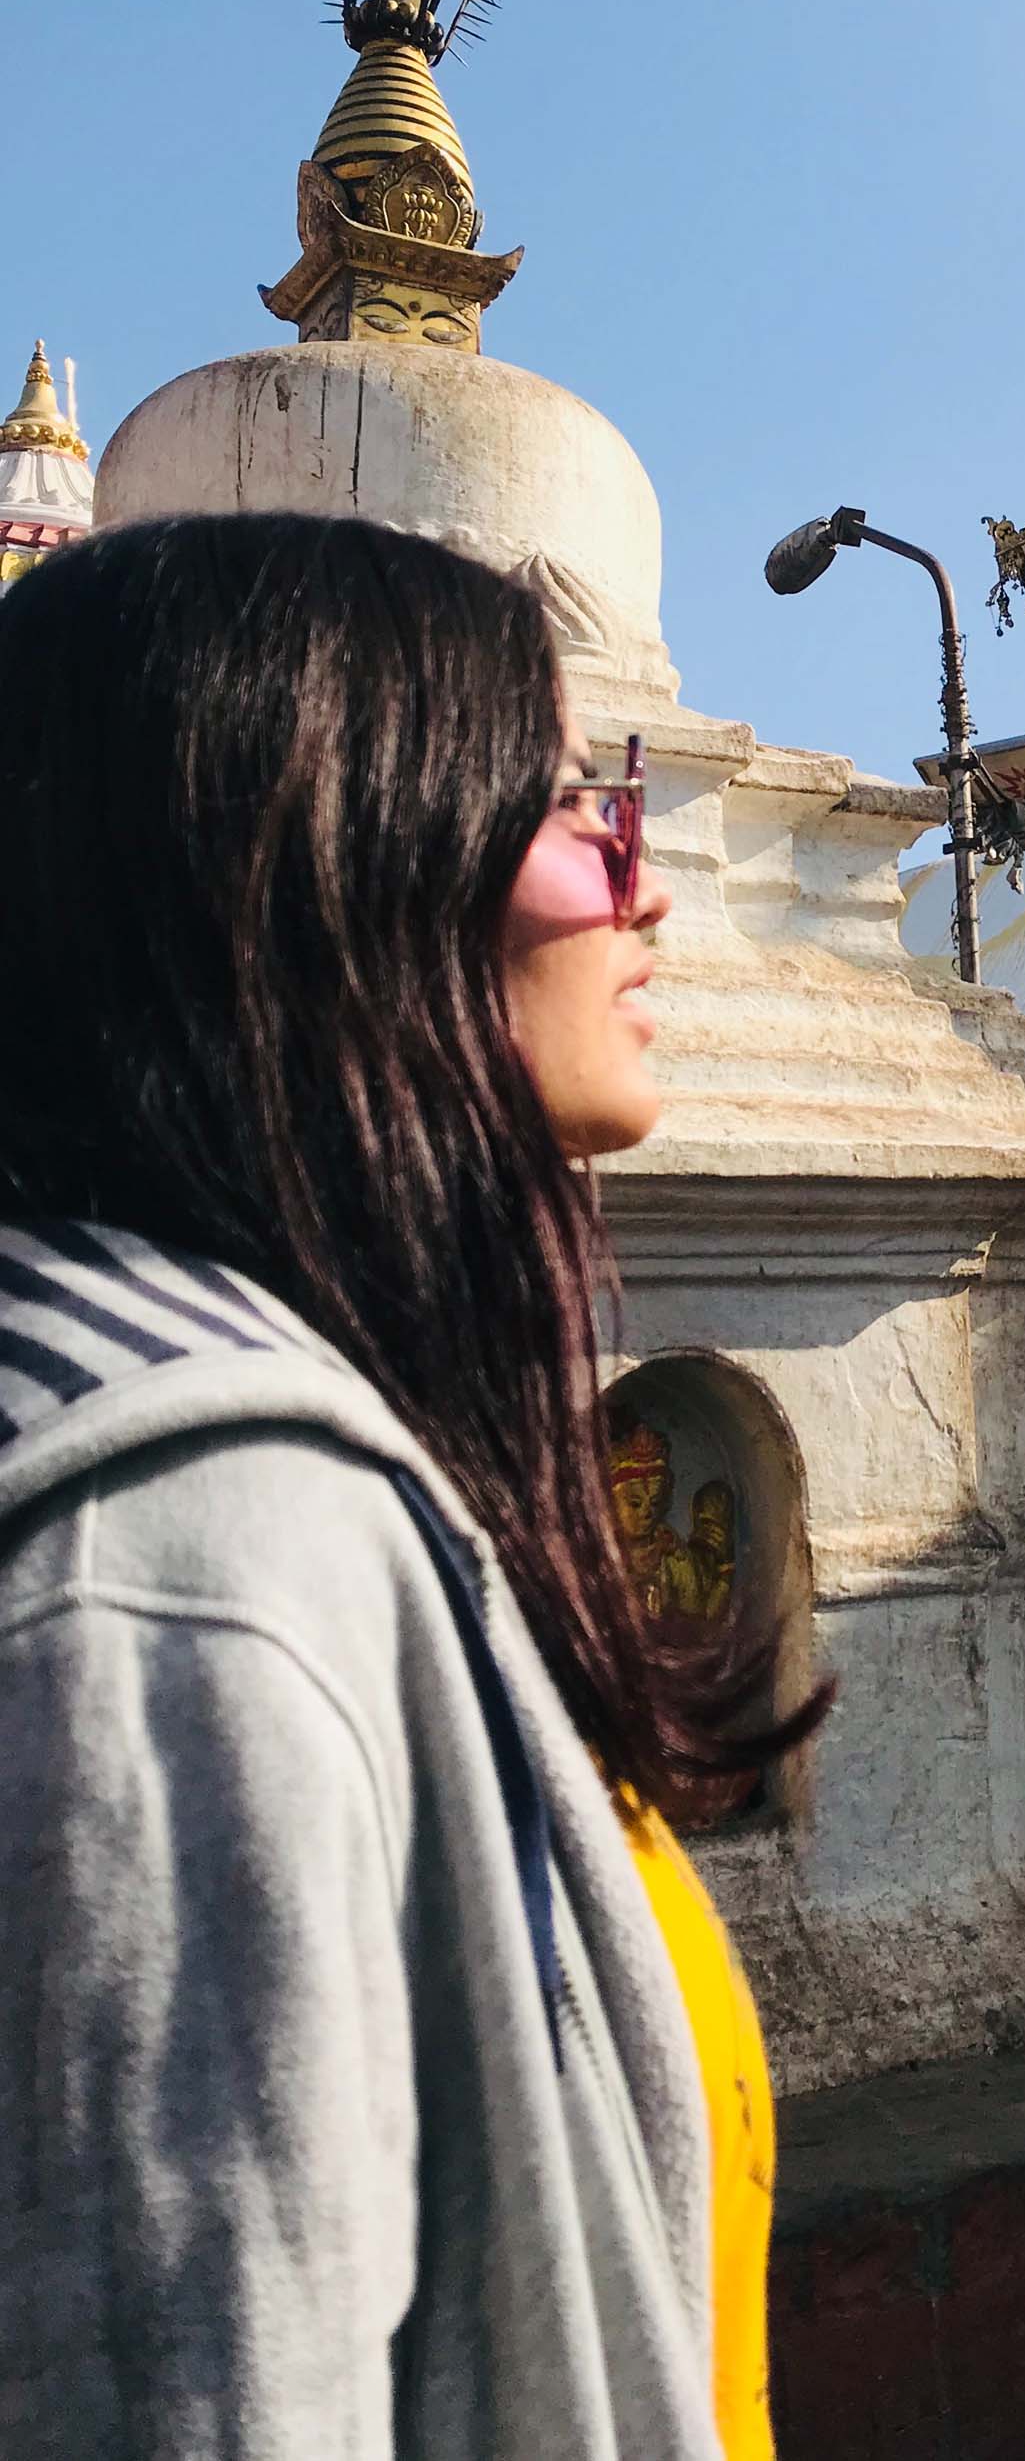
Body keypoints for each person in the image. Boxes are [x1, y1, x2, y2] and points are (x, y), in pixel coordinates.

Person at [0, 516, 822, 2459]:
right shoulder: (193, 1564)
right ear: (333, 870)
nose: (650, 893)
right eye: (566, 811)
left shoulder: (312, 1484)